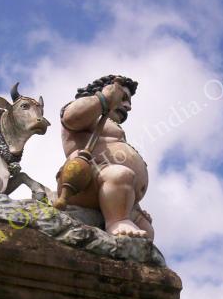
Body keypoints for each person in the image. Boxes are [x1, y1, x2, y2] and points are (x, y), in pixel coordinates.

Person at [59, 75, 153, 239]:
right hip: (84, 178)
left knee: (147, 230)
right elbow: (71, 118)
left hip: (119, 193)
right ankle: (117, 221)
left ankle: (122, 215)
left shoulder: (112, 127)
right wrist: (104, 99)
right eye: (123, 98)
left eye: (129, 102)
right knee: (120, 175)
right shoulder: (89, 111)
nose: (128, 107)